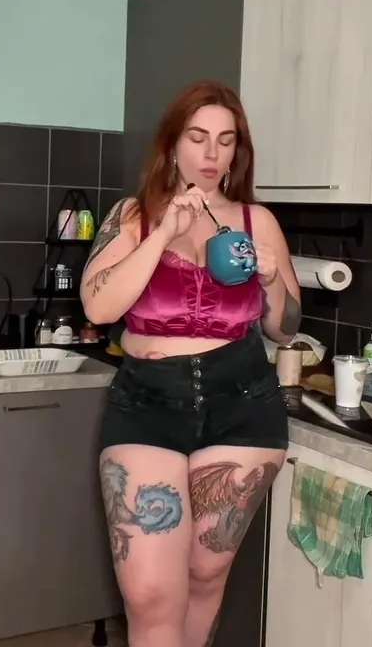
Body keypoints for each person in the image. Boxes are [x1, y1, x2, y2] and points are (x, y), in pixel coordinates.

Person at [81, 80, 301, 647]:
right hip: (146, 407)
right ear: (172, 144)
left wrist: (273, 280)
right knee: (150, 593)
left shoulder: (256, 221)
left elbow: (286, 328)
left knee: (205, 577)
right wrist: (164, 235)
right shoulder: (133, 216)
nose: (211, 153)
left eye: (225, 141)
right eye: (198, 137)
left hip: (243, 406)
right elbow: (98, 307)